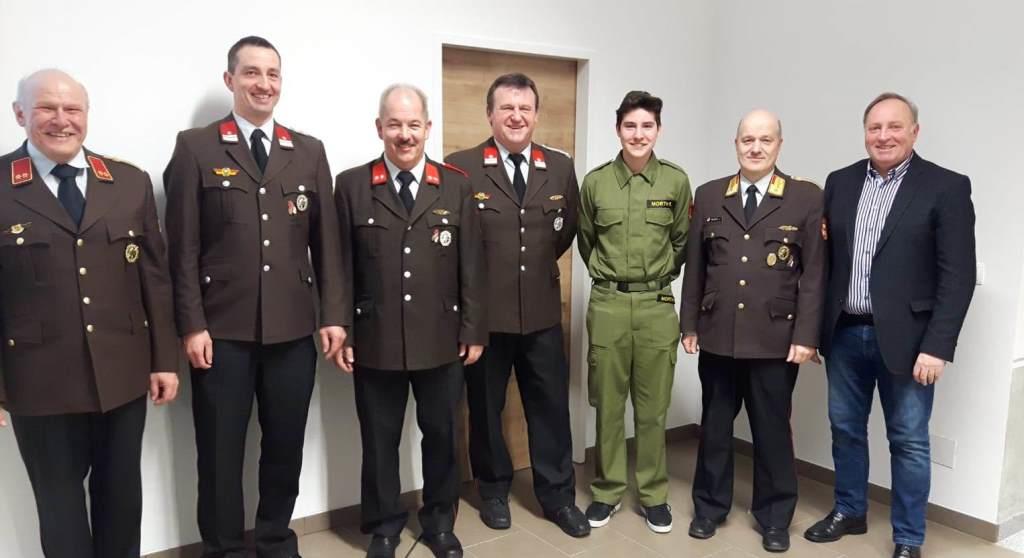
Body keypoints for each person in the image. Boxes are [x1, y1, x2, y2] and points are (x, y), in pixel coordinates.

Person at [163, 35, 347, 558]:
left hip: (293, 330)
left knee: (285, 445)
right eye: (251, 73)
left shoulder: (307, 151)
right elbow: (182, 247)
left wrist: (333, 315)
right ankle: (223, 548)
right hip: (221, 333)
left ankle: (274, 540)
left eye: (272, 74)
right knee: (219, 451)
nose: (263, 84)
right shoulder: (196, 147)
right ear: (230, 80)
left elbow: (327, 245)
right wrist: (191, 324)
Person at [0, 68, 179, 558]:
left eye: (72, 109)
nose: (62, 120)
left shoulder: (127, 182)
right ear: (20, 114)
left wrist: (164, 360)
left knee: (122, 498)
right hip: (38, 379)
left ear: (86, 114)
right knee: (59, 506)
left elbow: (155, 279)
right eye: (46, 108)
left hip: (122, 373)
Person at [803, 92, 976, 558]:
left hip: (910, 342)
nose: (884, 136)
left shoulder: (946, 187)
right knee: (845, 429)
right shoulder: (840, 182)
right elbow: (827, 261)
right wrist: (815, 330)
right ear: (864, 133)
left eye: (894, 126)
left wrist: (937, 346)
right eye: (875, 127)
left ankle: (908, 537)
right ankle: (850, 511)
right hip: (845, 333)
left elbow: (958, 275)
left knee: (909, 441)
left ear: (914, 132)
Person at [334, 83, 486, 558]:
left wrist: (474, 329)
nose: (405, 134)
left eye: (414, 124)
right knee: (379, 441)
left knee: (442, 436)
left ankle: (440, 523)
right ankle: (383, 527)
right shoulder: (352, 185)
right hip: (375, 336)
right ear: (379, 127)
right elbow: (339, 266)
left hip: (442, 338)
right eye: (395, 124)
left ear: (428, 127)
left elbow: (471, 264)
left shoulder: (456, 185)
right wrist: (343, 329)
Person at [445, 72, 587, 537]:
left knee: (550, 409)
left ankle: (558, 497)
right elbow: (456, 243)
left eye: (525, 108)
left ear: (536, 115)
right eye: (506, 107)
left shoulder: (559, 166)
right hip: (486, 317)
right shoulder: (461, 167)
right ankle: (492, 491)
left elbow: (563, 232)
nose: (516, 116)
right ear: (490, 114)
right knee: (485, 410)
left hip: (542, 314)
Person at [680, 109, 825, 552]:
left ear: (779, 145)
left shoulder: (804, 197)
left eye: (765, 140)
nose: (755, 148)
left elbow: (814, 275)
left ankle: (775, 516)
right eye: (748, 139)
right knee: (715, 426)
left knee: (772, 431)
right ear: (736, 143)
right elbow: (696, 267)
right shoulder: (709, 195)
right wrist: (689, 324)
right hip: (718, 335)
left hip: (774, 340)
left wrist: (807, 336)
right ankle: (709, 508)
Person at [577, 90, 691, 533]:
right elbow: (587, 241)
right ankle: (606, 492)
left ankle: (653, 495)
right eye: (630, 126)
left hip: (657, 305)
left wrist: (652, 281)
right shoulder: (596, 183)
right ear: (618, 129)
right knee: (607, 404)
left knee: (652, 407)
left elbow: (681, 243)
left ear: (658, 130)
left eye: (647, 126)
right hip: (608, 303)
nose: (638, 134)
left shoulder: (675, 182)